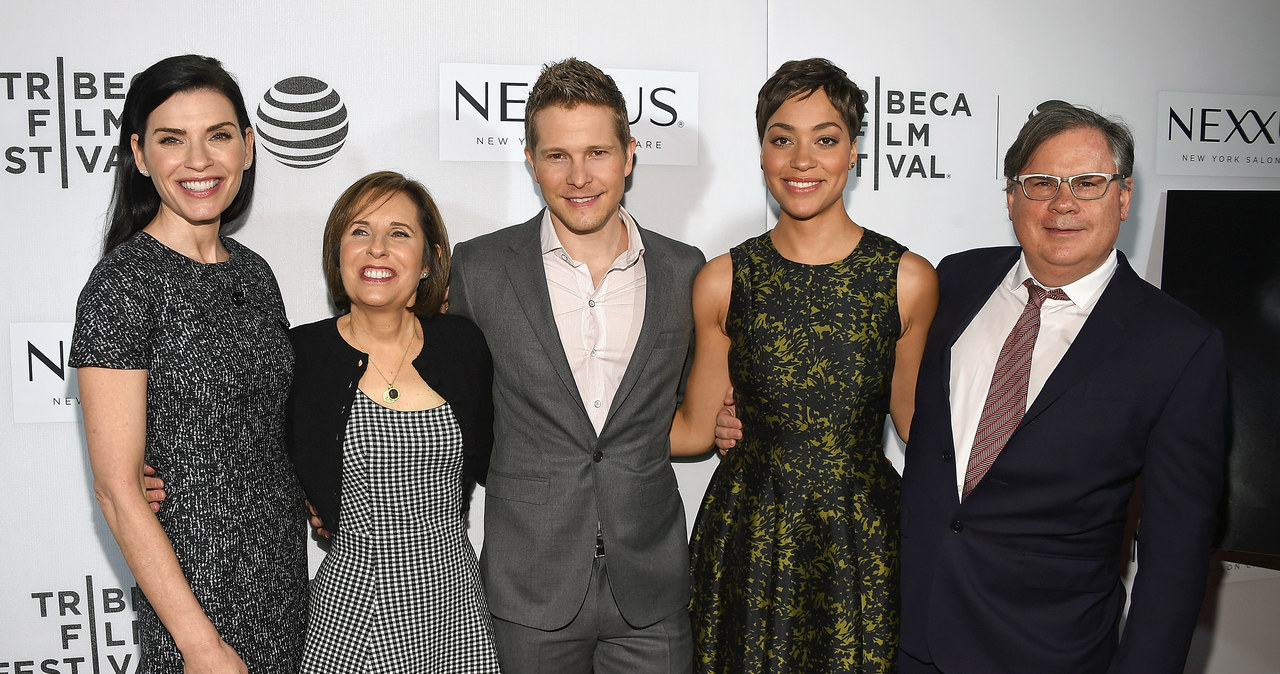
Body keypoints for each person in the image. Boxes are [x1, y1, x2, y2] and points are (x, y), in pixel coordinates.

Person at [721, 103, 1229, 673]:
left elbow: (1176, 558)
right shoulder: (956, 280)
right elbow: (865, 382)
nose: (1063, 203)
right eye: (1041, 183)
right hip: (901, 635)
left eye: (1088, 183)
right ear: (1011, 198)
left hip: (1046, 654)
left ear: (1124, 196)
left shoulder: (1179, 347)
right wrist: (755, 412)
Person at [669, 58, 938, 673]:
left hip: (861, 537)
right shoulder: (722, 280)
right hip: (751, 533)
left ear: (853, 153)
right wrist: (573, 437)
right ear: (761, 152)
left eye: (825, 139)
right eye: (781, 139)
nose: (801, 160)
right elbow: (693, 428)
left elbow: (918, 428)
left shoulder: (908, 280)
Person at [448, 57, 704, 673]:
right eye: (558, 155)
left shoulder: (686, 270)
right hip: (528, 583)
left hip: (652, 585)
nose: (579, 175)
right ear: (531, 161)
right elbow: (449, 411)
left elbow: (698, 401)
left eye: (597, 152)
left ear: (630, 155)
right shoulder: (479, 269)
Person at [71, 54, 307, 672]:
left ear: (248, 149)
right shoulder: (123, 284)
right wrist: (198, 644)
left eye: (219, 136)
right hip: (194, 596)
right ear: (141, 156)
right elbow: (119, 488)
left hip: (283, 581)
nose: (198, 161)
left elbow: (261, 428)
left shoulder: (255, 273)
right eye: (172, 140)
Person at [287, 171, 499, 671]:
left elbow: (506, 455)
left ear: (428, 262)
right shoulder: (300, 354)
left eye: (399, 234)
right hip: (350, 612)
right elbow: (241, 453)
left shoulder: (462, 345)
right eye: (359, 231)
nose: (377, 248)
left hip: (455, 613)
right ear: (337, 253)